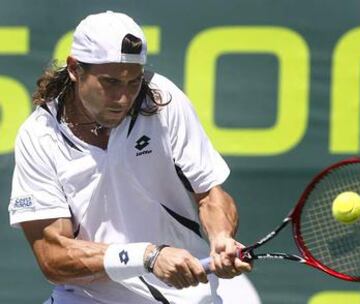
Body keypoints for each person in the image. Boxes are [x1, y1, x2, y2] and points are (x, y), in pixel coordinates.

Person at [8, 11, 261, 304]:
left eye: (133, 82)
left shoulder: (163, 101)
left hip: (187, 292)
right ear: (75, 69)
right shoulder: (39, 136)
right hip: (89, 296)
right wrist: (146, 256)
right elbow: (53, 257)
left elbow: (211, 195)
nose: (124, 98)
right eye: (110, 82)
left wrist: (221, 238)